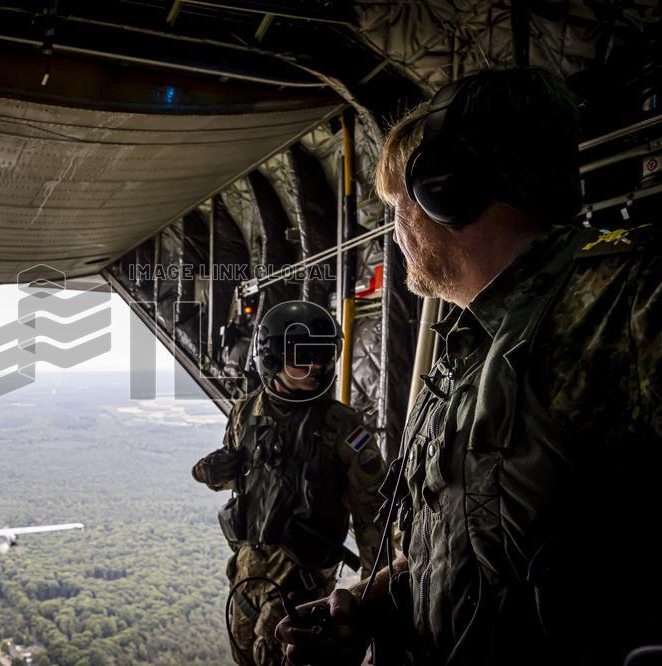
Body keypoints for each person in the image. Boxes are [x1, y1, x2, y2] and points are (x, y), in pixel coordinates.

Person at [275, 68, 662, 665]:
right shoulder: (465, 349)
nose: (395, 232)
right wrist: (367, 605)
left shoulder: (626, 305)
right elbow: (461, 556)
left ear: (444, 190)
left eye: (395, 206)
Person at [193, 300, 387, 666]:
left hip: (301, 586)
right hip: (246, 574)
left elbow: (372, 514)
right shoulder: (245, 412)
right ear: (274, 359)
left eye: (324, 356)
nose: (317, 367)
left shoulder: (343, 426)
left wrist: (373, 596)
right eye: (304, 358)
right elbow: (238, 475)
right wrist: (211, 471)